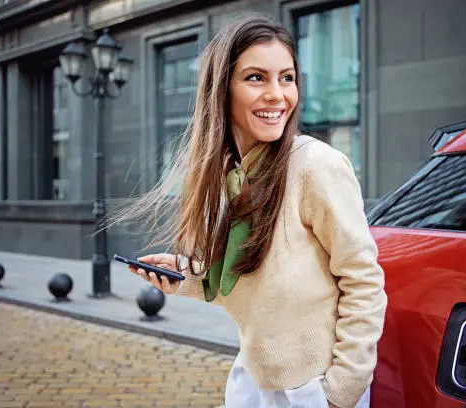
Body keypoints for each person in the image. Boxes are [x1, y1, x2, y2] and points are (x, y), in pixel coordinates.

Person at [114, 13, 387, 408]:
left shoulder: (316, 165)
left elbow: (365, 283)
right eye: (256, 77)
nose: (277, 94)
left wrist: (342, 390)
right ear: (222, 89)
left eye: (287, 77)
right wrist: (187, 277)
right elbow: (262, 286)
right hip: (252, 380)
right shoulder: (233, 175)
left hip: (313, 388)